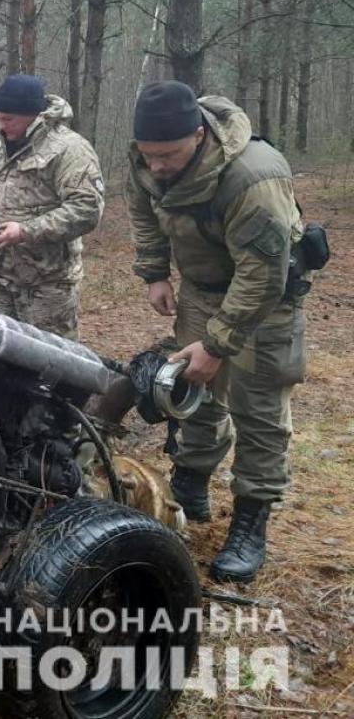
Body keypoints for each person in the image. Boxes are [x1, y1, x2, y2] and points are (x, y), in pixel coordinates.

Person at [128, 80, 307, 583]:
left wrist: (216, 344)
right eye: (149, 155)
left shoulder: (253, 178)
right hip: (202, 291)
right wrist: (155, 271)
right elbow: (143, 208)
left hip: (265, 303)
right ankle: (190, 486)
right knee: (194, 396)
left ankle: (251, 521)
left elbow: (263, 276)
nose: (157, 165)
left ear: (201, 134)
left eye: (168, 155)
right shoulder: (147, 158)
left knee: (260, 413)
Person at [0, 74, 104, 339]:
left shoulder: (69, 150)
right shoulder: (5, 146)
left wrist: (25, 231)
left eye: (8, 119)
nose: (0, 126)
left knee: (49, 365)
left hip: (46, 286)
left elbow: (87, 209)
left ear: (34, 115)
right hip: (0, 281)